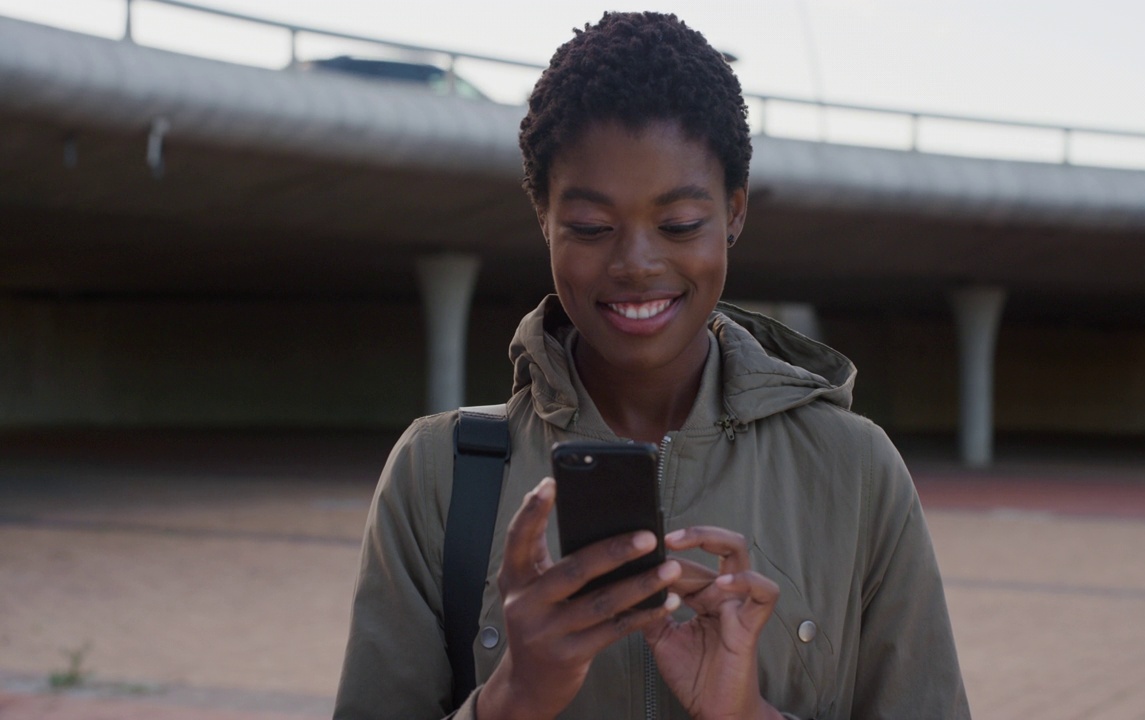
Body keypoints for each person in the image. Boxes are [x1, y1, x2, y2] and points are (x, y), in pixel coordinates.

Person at [334, 11, 969, 720]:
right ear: (543, 217)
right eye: (591, 228)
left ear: (733, 212)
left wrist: (748, 716)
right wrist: (513, 698)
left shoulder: (854, 471)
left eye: (679, 225)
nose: (636, 264)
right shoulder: (437, 474)